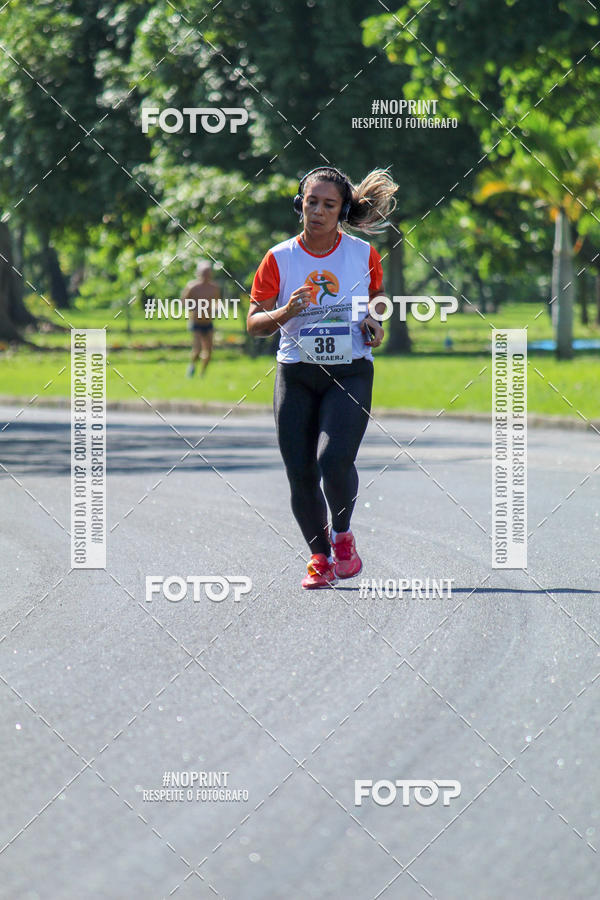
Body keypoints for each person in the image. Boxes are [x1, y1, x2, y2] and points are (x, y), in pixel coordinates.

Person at [247, 166, 398, 589]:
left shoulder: (362, 254)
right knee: (299, 472)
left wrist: (375, 321)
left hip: (349, 373)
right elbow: (254, 323)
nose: (317, 211)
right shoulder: (279, 258)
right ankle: (319, 558)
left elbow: (377, 300)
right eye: (311, 202)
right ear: (300, 204)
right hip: (295, 375)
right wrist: (286, 312)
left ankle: (342, 536)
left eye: (328, 205)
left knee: (332, 459)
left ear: (342, 210)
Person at [183, 261, 220, 377]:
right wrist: (194, 308)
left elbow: (217, 302)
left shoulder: (214, 288)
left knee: (209, 352)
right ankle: (192, 366)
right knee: (197, 350)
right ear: (199, 273)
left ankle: (202, 374)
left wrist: (216, 310)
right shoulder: (192, 287)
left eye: (208, 273)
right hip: (196, 322)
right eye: (204, 273)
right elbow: (184, 301)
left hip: (208, 322)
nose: (206, 275)